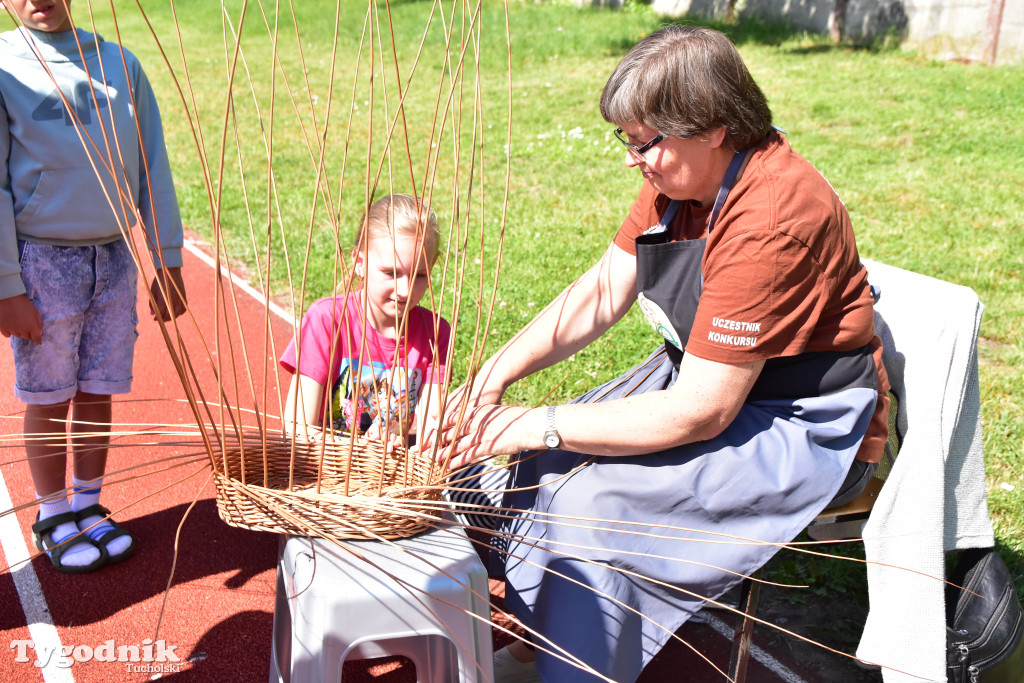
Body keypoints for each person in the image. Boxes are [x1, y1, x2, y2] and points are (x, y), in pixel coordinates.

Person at [431, 25, 890, 682]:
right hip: (708, 379)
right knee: (538, 461)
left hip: (795, 419)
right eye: (626, 138)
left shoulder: (772, 215)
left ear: (712, 127)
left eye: (644, 141)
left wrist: (534, 417)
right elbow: (601, 289)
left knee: (587, 504)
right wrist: (493, 381)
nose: (631, 159)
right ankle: (547, 643)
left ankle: (577, 666)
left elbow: (703, 410)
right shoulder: (679, 177)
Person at [0, 0, 187, 573]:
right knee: (50, 398)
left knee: (98, 390)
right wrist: (8, 284)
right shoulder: (3, 67)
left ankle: (88, 504)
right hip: (41, 261)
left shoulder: (121, 65)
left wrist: (167, 258)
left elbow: (152, 164)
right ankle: (53, 513)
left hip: (114, 257)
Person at [280, 194, 451, 447]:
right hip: (322, 474)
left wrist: (428, 442)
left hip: (392, 478)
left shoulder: (434, 332)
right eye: (391, 272)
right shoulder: (327, 320)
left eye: (420, 275)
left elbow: (429, 434)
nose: (405, 290)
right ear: (360, 263)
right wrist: (362, 452)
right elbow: (296, 430)